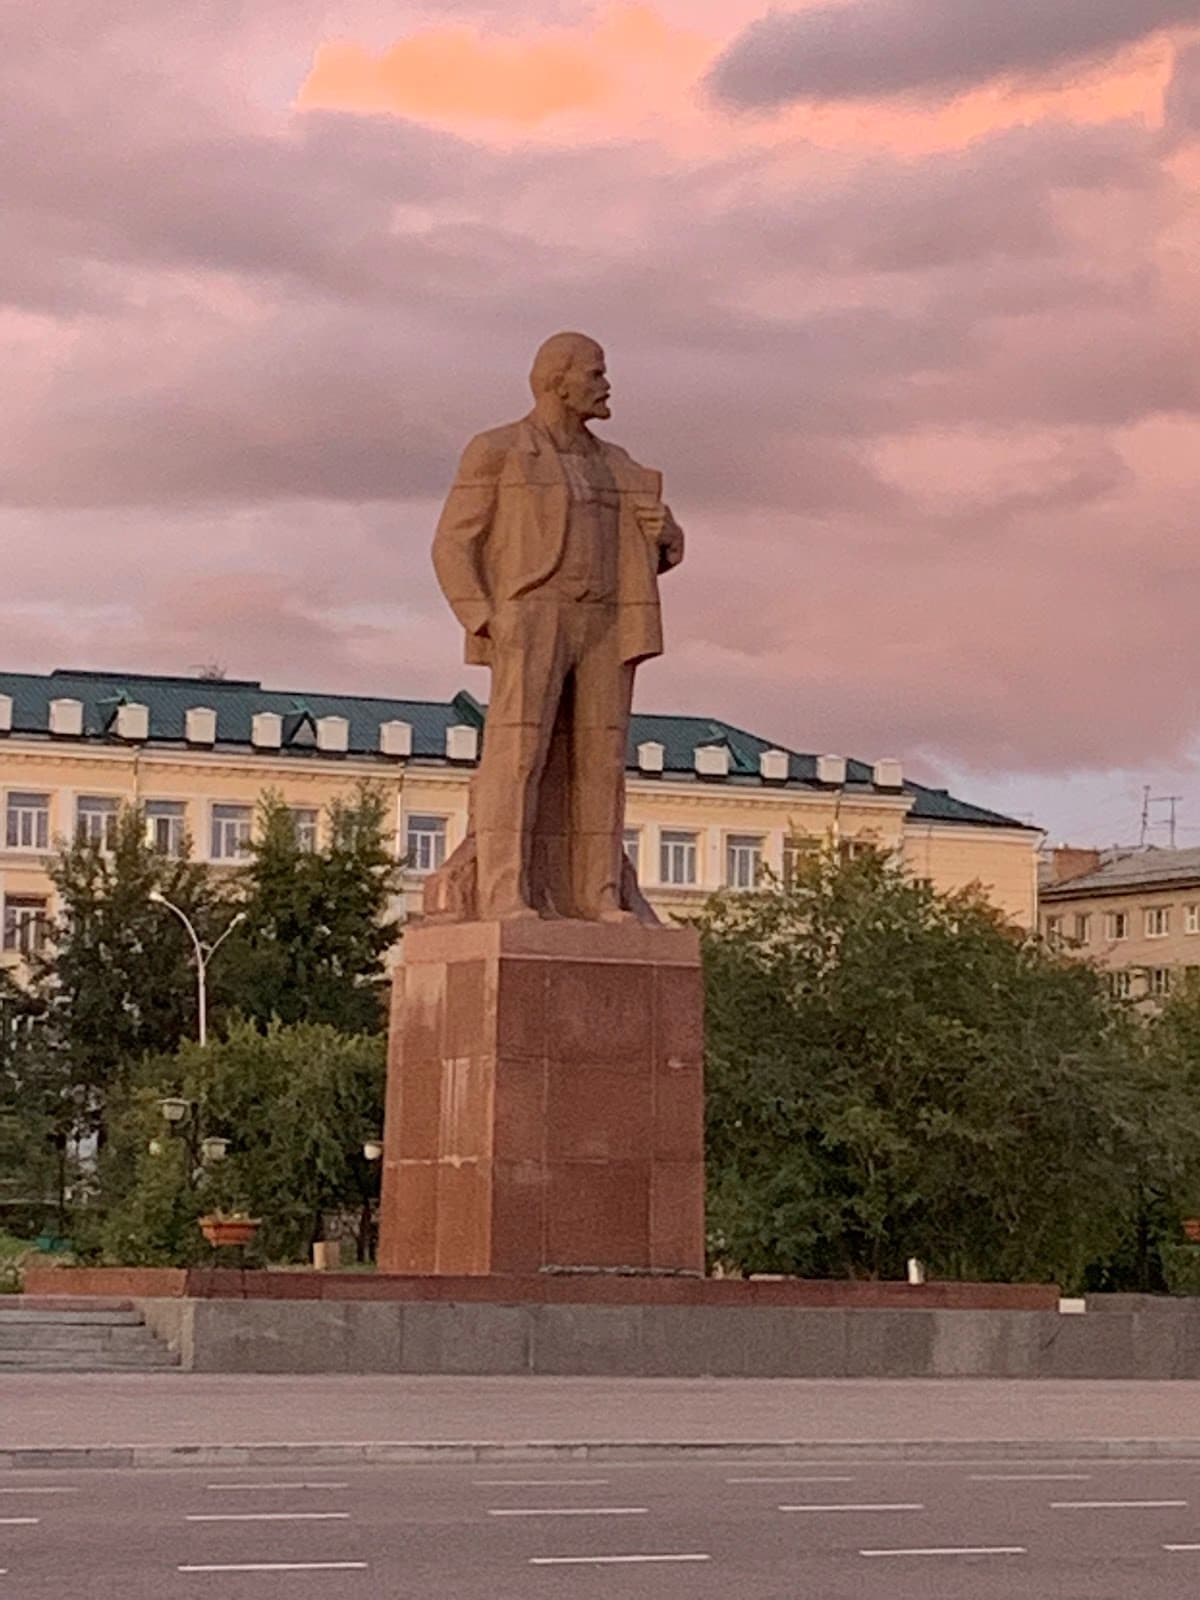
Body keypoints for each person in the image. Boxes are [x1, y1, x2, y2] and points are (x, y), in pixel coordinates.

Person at [429, 332, 685, 922]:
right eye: (595, 374)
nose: (606, 385)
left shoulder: (619, 464)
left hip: (606, 621)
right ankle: (503, 892)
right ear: (557, 380)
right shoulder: (497, 450)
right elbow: (451, 543)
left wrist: (667, 536)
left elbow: (663, 549)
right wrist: (485, 616)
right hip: (533, 614)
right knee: (518, 755)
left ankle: (597, 895)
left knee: (601, 760)